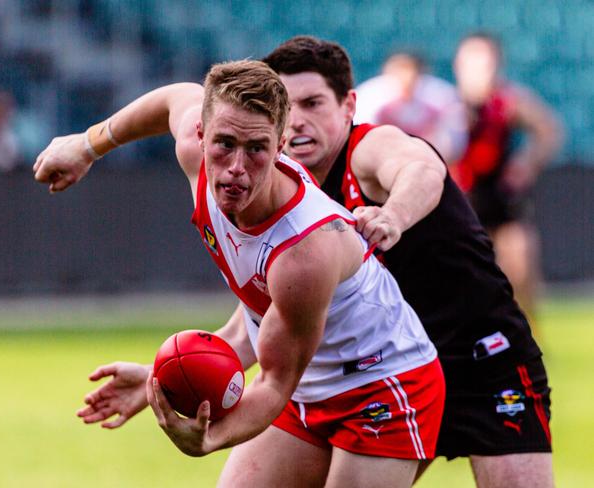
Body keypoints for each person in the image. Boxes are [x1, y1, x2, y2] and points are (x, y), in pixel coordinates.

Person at [37, 36, 553, 487]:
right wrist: (88, 144)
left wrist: (392, 215)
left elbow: (422, 168)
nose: (299, 120)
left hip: (470, 360)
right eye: (290, 104)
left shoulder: (355, 167)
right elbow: (261, 323)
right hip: (336, 372)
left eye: (313, 103)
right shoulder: (242, 167)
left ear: (348, 106)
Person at [451, 32, 563, 325]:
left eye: (486, 61)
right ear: (459, 64)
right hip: (460, 199)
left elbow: (549, 130)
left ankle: (526, 335)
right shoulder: (445, 104)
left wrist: (526, 162)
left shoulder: (508, 101)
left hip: (500, 196)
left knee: (520, 267)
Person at [354, 51, 467, 164]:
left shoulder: (441, 99)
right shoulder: (370, 98)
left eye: (410, 72)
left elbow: (453, 148)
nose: (405, 80)